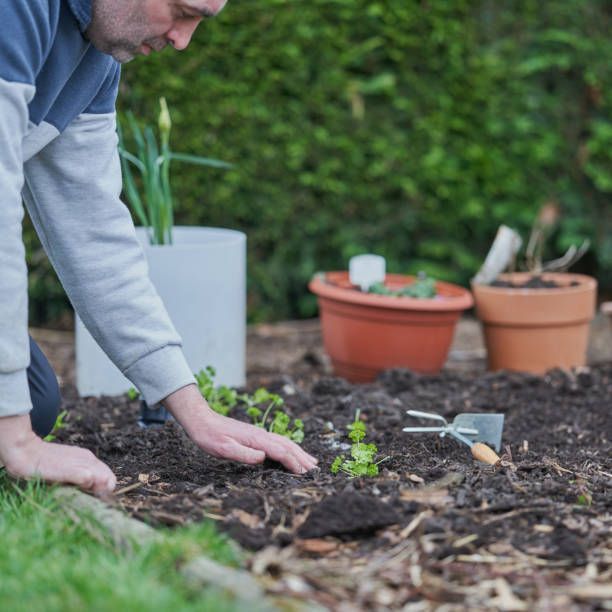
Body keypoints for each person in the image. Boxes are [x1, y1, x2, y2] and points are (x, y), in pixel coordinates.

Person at [0, 0, 318, 495]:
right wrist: (17, 440)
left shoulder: (96, 60)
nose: (182, 39)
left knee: (32, 400)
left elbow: (93, 231)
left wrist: (194, 410)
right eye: (181, 10)